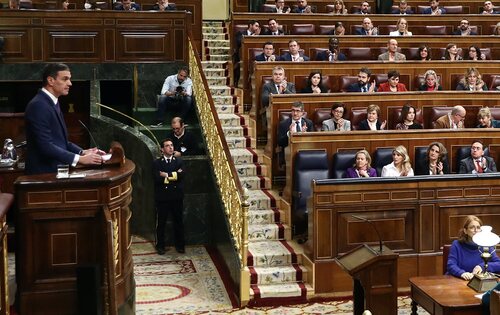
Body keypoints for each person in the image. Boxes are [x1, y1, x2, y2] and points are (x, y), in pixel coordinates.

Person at [24, 63, 104, 175]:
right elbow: (45, 146)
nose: (70, 83)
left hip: (54, 172)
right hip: (42, 175)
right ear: (50, 80)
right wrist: (79, 159)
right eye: (65, 79)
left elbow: (61, 142)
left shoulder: (52, 102)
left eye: (69, 79)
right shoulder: (39, 105)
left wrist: (82, 152)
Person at [153, 138, 185, 255]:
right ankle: (160, 245)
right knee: (161, 222)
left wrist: (166, 175)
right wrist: (173, 177)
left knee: (178, 221)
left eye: (171, 145)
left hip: (176, 196)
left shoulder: (179, 161)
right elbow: (157, 178)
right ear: (162, 149)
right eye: (167, 146)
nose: (171, 147)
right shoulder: (157, 163)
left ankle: (180, 245)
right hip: (163, 197)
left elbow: (181, 175)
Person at [447, 215, 500, 279]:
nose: (476, 230)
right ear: (465, 231)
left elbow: (498, 264)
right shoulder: (457, 244)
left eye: (478, 227)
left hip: (477, 282)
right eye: (472, 227)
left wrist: (482, 266)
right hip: (458, 280)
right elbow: (451, 265)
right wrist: (461, 273)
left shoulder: (486, 244)